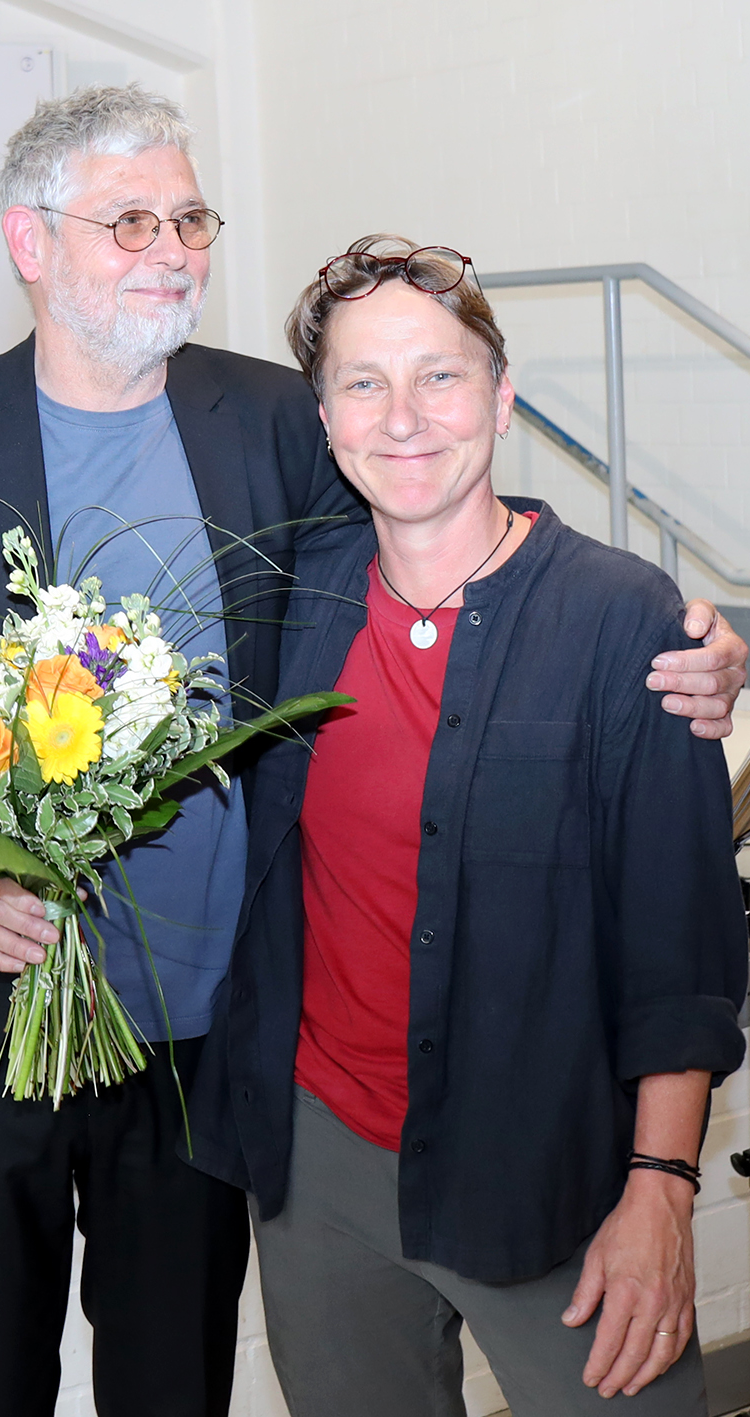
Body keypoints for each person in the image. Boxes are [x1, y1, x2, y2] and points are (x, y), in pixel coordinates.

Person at [0, 87, 747, 1417]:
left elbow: (427, 505)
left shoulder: (272, 420)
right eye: (128, 221)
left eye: (187, 216)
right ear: (29, 241)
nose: (171, 248)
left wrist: (665, 635)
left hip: (201, 1046)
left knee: (172, 1388)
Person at [182, 237, 747, 1417]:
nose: (404, 417)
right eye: (363, 383)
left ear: (500, 393)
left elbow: (681, 948)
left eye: (439, 375)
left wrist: (660, 1187)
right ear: (326, 421)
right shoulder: (295, 601)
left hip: (550, 1158)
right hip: (320, 1165)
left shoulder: (622, 620)